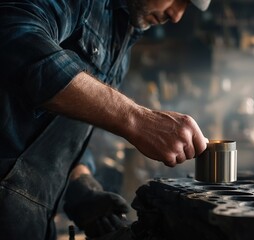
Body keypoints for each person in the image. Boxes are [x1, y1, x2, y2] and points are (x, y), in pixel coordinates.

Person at [0, 0, 211, 239]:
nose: (176, 16)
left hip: (29, 222)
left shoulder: (121, 39)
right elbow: (13, 35)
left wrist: (82, 188)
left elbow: (60, 133)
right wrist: (136, 119)